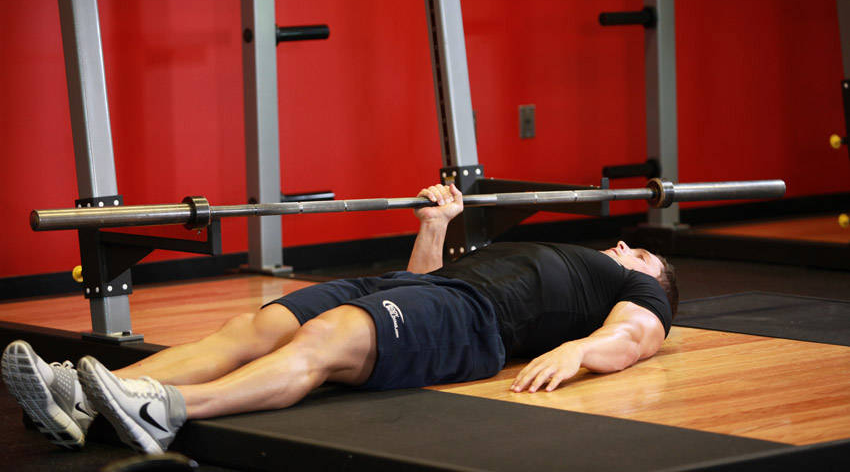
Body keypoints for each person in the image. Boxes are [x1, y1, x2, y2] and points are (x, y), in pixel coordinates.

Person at [2, 184, 677, 455]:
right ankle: (85, 398)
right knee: (255, 327)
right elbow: (421, 279)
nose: (624, 247)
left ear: (653, 280)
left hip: (472, 320)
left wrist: (582, 352)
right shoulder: (578, 259)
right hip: (421, 290)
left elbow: (636, 337)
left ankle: (168, 408)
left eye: (640, 252)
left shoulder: (637, 295)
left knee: (324, 341)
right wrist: (436, 223)